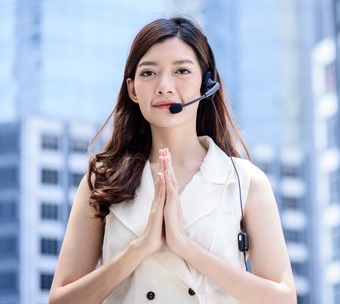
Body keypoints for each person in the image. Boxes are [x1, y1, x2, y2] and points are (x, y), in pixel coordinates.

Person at [49, 16, 296, 304]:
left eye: (181, 70)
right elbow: (60, 300)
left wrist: (186, 248)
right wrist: (140, 248)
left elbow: (283, 299)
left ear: (207, 83)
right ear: (132, 89)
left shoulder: (245, 180)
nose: (164, 86)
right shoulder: (102, 181)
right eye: (149, 73)